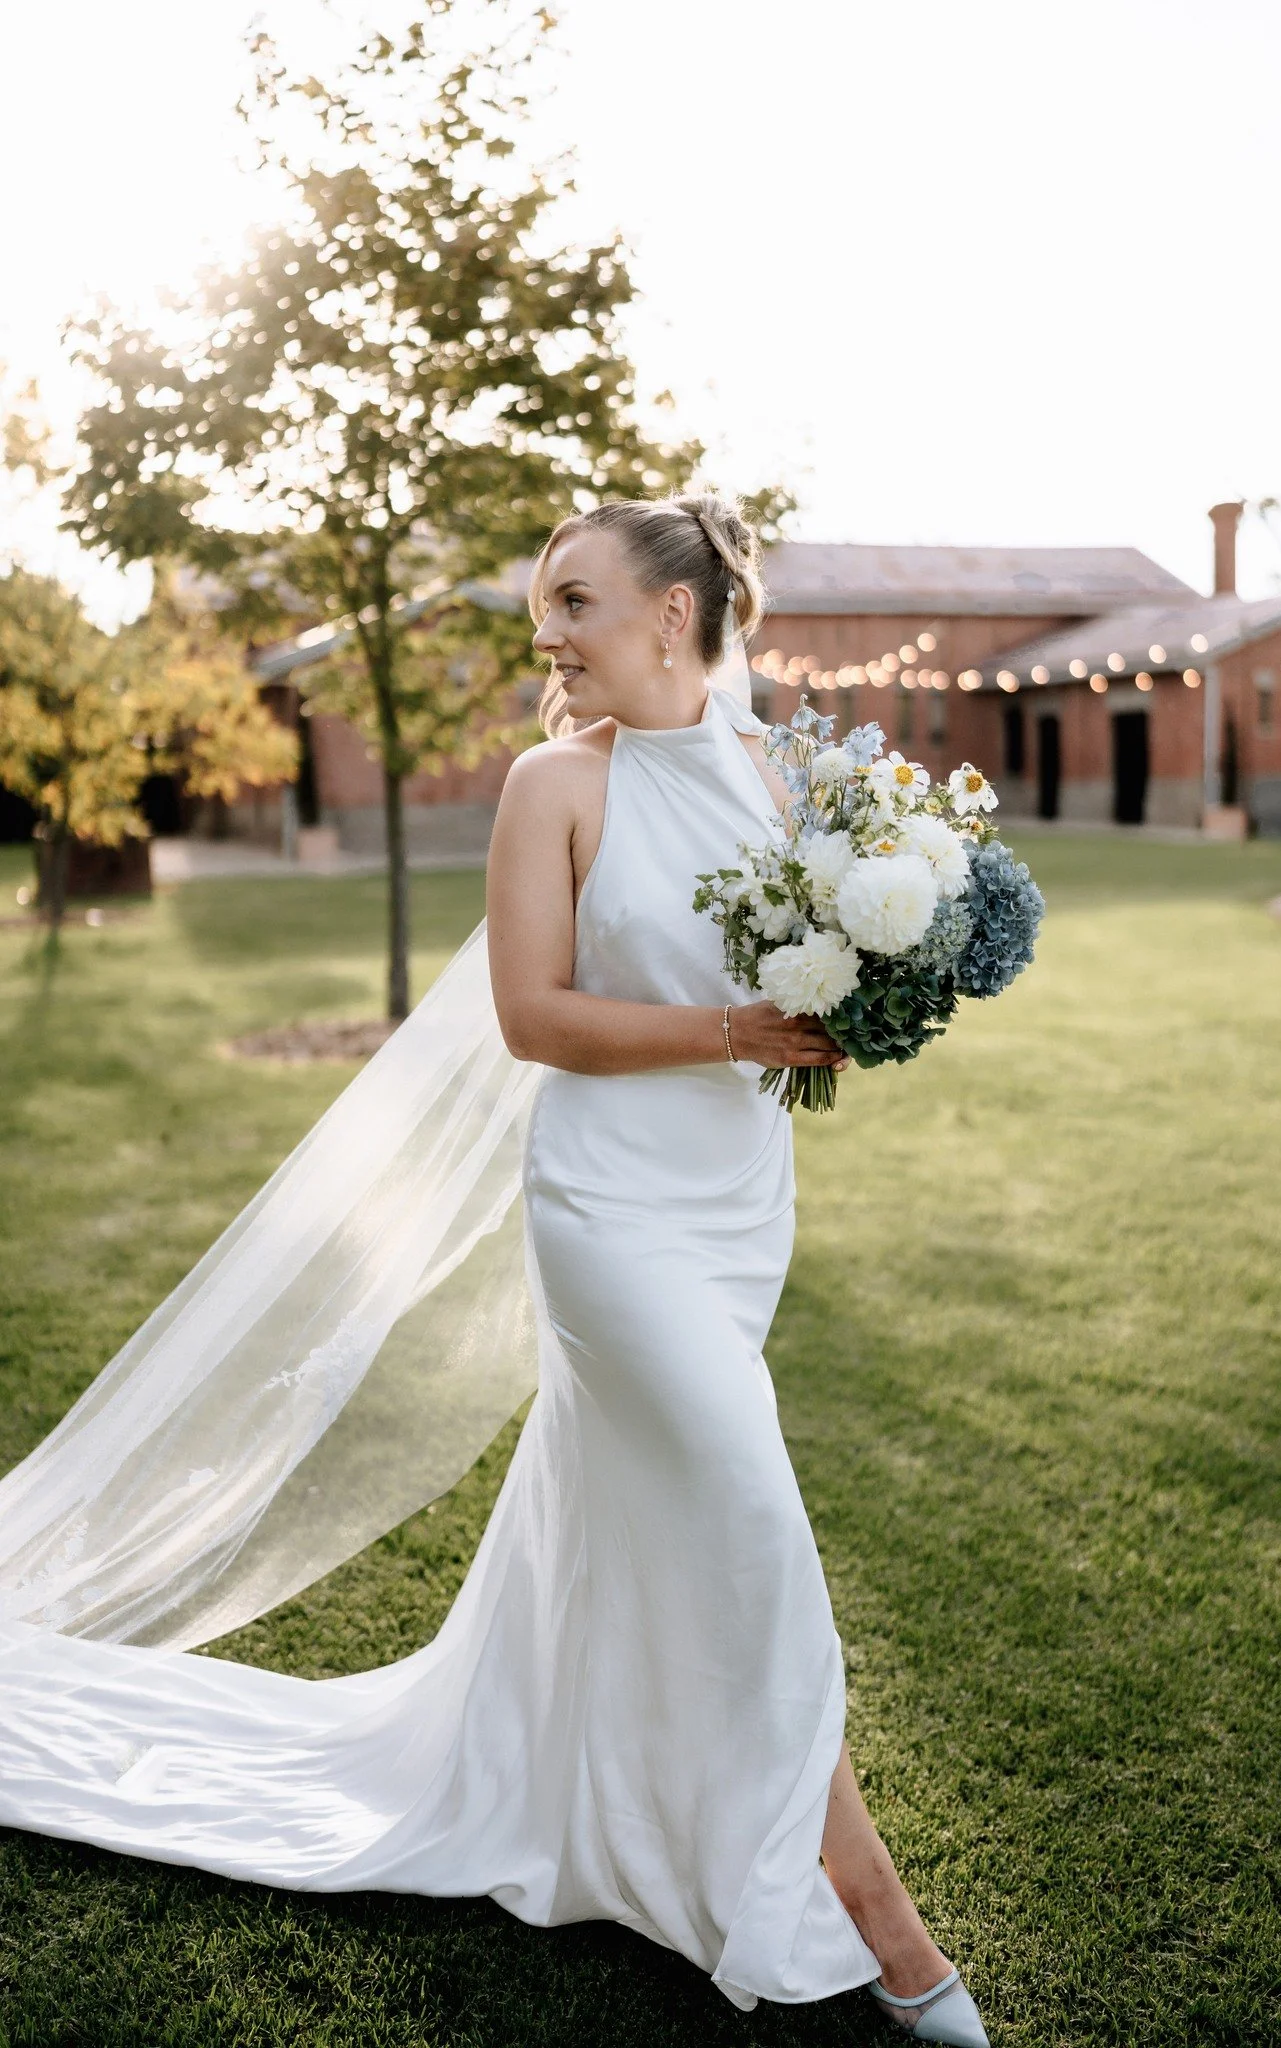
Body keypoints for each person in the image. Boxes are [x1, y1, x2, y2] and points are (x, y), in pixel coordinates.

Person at [0, 492, 988, 2045]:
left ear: (674, 613)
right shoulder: (552, 785)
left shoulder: (789, 775)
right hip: (606, 1213)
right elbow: (535, 1017)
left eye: (575, 602)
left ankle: (615, 1805)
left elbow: (828, 974)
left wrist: (873, 988)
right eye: (545, 609)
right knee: (747, 1520)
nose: (549, 636)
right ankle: (883, 1921)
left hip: (737, 1207)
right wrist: (738, 1028)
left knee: (665, 1521)